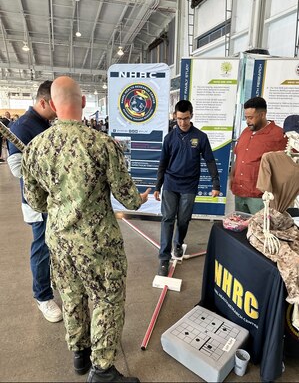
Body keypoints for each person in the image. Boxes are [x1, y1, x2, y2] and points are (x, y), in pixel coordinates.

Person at [21, 76, 151, 382]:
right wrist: (141, 197)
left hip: (59, 240)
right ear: (82, 103)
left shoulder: (35, 148)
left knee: (71, 295)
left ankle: (79, 354)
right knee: (107, 299)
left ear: (52, 106)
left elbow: (36, 201)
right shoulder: (103, 144)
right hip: (98, 244)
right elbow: (129, 198)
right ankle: (102, 369)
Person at [7, 81, 62, 323]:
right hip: (36, 203)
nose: (58, 110)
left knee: (53, 244)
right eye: (54, 105)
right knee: (41, 247)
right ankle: (42, 296)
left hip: (54, 200)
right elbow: (16, 168)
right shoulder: (22, 126)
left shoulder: (45, 123)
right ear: (42, 102)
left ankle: (50, 280)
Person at [154, 100, 220, 277]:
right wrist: (157, 186)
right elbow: (162, 163)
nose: (183, 122)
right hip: (170, 183)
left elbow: (210, 160)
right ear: (175, 116)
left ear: (192, 116)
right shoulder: (169, 138)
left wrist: (216, 184)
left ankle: (178, 243)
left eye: (186, 118)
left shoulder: (200, 137)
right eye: (180, 119)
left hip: (189, 186)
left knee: (183, 220)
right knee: (167, 219)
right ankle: (164, 259)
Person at [230, 96, 287, 214]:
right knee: (241, 227)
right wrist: (232, 177)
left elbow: (289, 164)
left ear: (262, 115)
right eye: (246, 117)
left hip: (259, 196)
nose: (247, 121)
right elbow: (238, 157)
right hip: (240, 192)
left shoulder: (279, 135)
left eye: (251, 117)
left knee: (259, 229)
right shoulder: (246, 132)